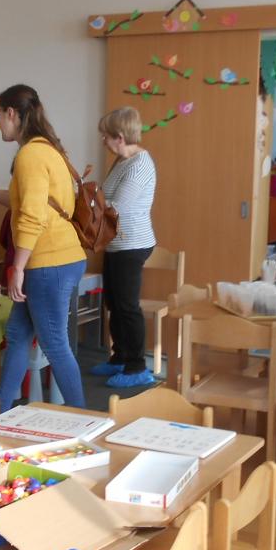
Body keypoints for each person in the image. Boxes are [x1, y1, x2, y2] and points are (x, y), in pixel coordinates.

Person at [0, 84, 87, 411]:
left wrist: (18, 268)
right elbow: (30, 202)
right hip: (62, 257)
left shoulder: (29, 155)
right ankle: (1, 412)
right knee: (17, 335)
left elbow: (32, 215)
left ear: (11, 113)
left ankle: (85, 419)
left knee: (54, 344)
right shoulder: (49, 149)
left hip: (47, 263)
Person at [90, 106, 158, 388]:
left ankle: (137, 367)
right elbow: (105, 197)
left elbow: (118, 206)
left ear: (119, 137)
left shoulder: (140, 164)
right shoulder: (121, 161)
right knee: (114, 303)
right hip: (116, 244)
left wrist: (88, 203)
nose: (103, 141)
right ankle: (119, 357)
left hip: (133, 244)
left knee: (127, 306)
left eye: (106, 136)